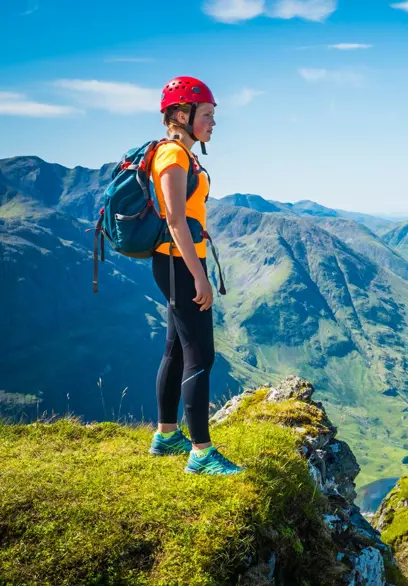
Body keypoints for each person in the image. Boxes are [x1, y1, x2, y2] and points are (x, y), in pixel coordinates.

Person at [146, 76, 242, 475]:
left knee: (177, 349)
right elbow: (174, 220)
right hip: (179, 263)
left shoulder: (183, 154)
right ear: (182, 115)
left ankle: (167, 435)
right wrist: (198, 276)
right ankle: (201, 453)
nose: (214, 123)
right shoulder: (172, 156)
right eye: (208, 115)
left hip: (180, 262)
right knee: (201, 355)